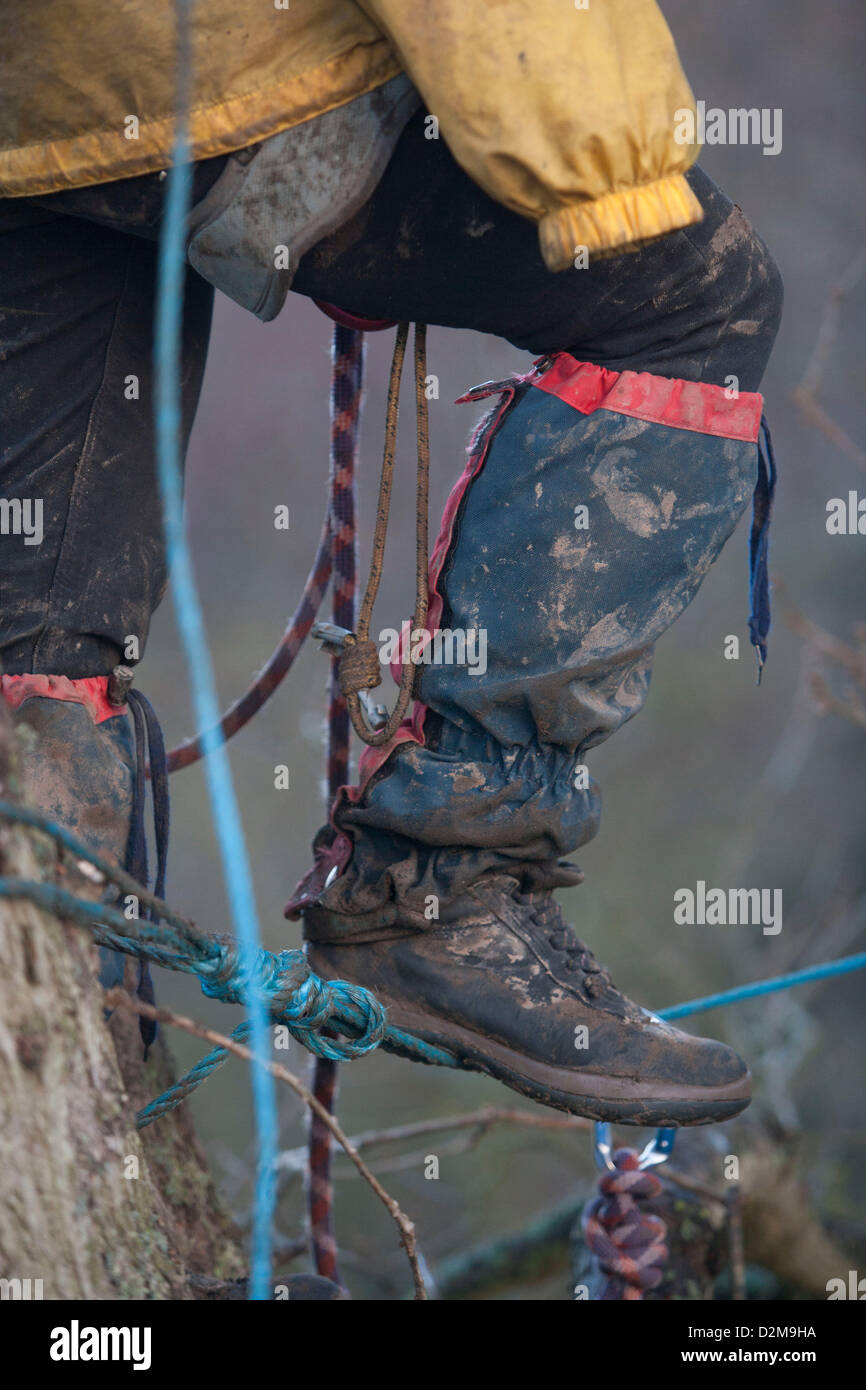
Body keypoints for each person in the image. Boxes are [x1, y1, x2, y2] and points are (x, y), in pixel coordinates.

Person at [0, 0, 782, 1122]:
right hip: (193, 63)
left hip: (40, 94)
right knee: (693, 297)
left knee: (32, 661)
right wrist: (600, 166)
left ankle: (70, 1140)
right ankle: (438, 894)